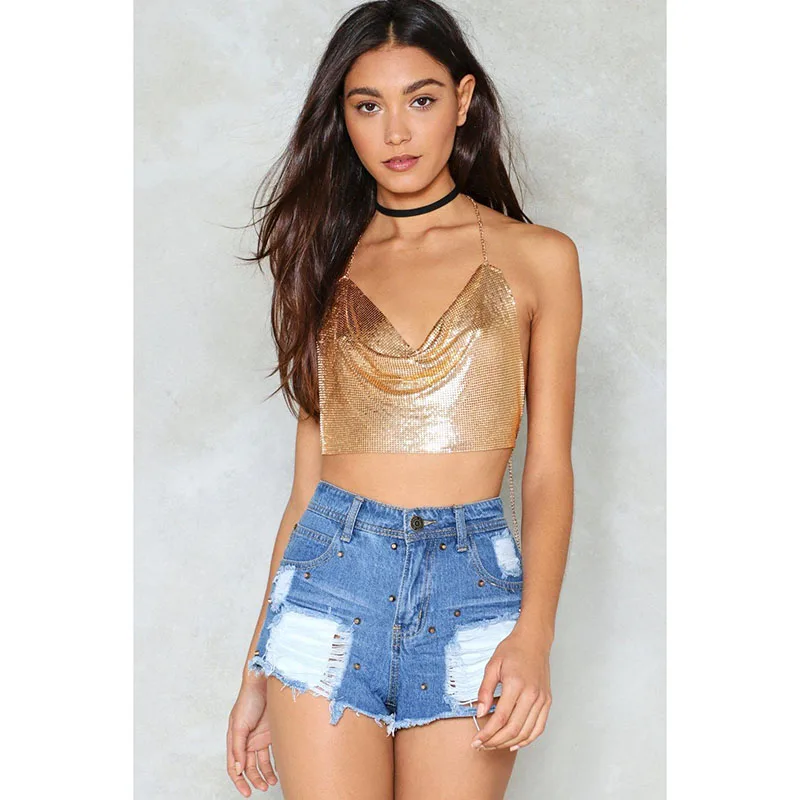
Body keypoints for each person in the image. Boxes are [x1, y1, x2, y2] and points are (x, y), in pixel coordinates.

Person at [226, 1, 582, 797]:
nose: (396, 132)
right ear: (343, 119)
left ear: (463, 101)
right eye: (368, 106)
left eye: (420, 99)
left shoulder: (540, 259)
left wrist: (534, 638)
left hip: (472, 591)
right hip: (329, 583)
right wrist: (255, 672)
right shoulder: (324, 260)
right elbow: (307, 493)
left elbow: (548, 472)